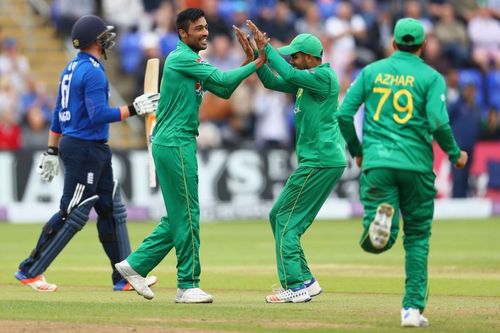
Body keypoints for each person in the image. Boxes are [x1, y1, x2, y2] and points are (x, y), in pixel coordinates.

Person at [114, 8, 266, 303]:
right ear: (183, 34)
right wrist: (258, 62)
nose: (205, 32)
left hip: (175, 143)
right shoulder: (183, 58)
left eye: (206, 27)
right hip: (175, 144)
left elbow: (223, 90)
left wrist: (247, 62)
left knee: (178, 217)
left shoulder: (192, 60)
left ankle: (135, 266)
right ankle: (187, 284)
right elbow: (222, 82)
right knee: (188, 216)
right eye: (198, 29)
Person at [14, 15, 160, 292]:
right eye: (104, 36)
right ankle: (30, 270)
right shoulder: (92, 70)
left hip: (87, 146)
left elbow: (58, 113)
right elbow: (97, 115)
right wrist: (134, 108)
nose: (108, 39)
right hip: (85, 147)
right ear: (96, 41)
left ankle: (124, 275)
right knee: (74, 211)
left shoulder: (71, 68)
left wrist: (51, 149)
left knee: (111, 208)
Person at [337, 18, 468, 327]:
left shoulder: (370, 72)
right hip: (417, 166)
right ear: (422, 46)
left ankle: (380, 226)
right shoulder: (432, 77)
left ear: (393, 44)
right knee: (418, 237)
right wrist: (454, 153)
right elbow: (437, 122)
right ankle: (411, 310)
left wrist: (358, 150)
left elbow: (344, 114)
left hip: (378, 162)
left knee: (377, 235)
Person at [245, 20, 346, 303]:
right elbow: (272, 80)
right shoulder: (306, 80)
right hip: (319, 160)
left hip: (320, 159)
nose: (292, 59)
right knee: (279, 215)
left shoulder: (323, 77)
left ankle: (295, 286)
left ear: (312, 57)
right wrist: (256, 56)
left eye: (297, 55)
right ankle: (307, 281)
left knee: (288, 222)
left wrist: (265, 47)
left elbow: (286, 71)